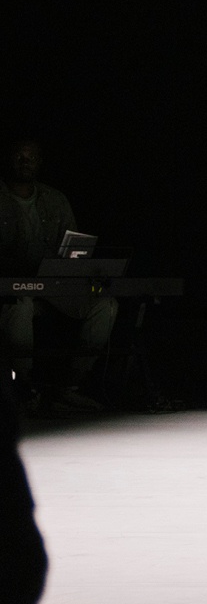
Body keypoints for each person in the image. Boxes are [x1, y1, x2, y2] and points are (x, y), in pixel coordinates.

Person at [0, 138, 116, 412]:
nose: (24, 162)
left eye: (31, 157)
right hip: (12, 288)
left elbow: (73, 247)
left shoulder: (55, 199)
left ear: (40, 162)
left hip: (53, 286)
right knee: (20, 305)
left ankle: (71, 386)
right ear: (8, 159)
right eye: (19, 156)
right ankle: (24, 389)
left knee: (105, 305)